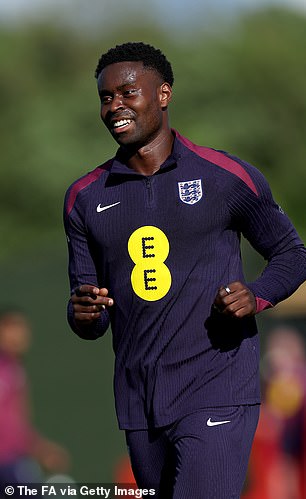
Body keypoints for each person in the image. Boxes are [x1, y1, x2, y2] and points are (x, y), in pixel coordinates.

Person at [63, 42, 306, 498]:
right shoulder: (84, 197)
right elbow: (89, 316)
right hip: (139, 402)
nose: (115, 106)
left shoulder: (224, 175)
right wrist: (83, 313)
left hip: (218, 388)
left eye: (128, 92)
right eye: (105, 97)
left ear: (164, 94)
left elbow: (293, 254)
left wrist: (256, 296)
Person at [0, 309, 70, 486]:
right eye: (9, 327)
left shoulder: (15, 369)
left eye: (21, 328)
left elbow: (15, 425)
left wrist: (39, 448)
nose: (17, 335)